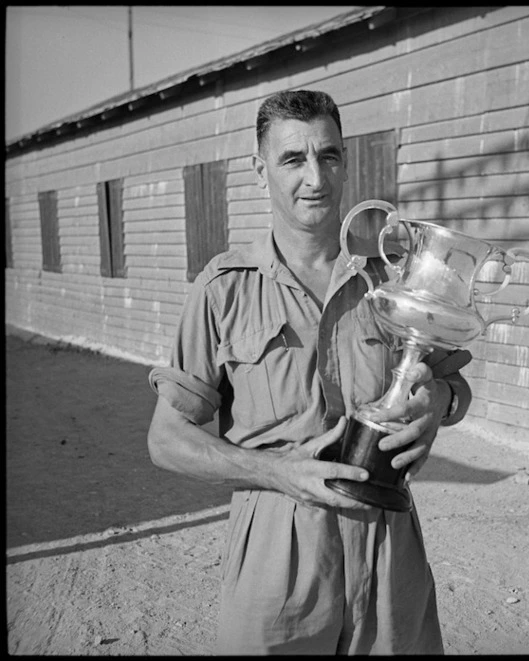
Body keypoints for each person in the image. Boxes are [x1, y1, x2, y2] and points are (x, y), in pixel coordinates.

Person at [147, 89, 472, 655]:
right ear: (259, 170)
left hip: (388, 548)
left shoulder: (396, 279)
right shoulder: (223, 291)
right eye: (293, 159)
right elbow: (166, 440)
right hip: (278, 558)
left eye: (329, 156)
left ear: (345, 161)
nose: (315, 178)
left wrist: (436, 403)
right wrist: (276, 472)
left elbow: (452, 387)